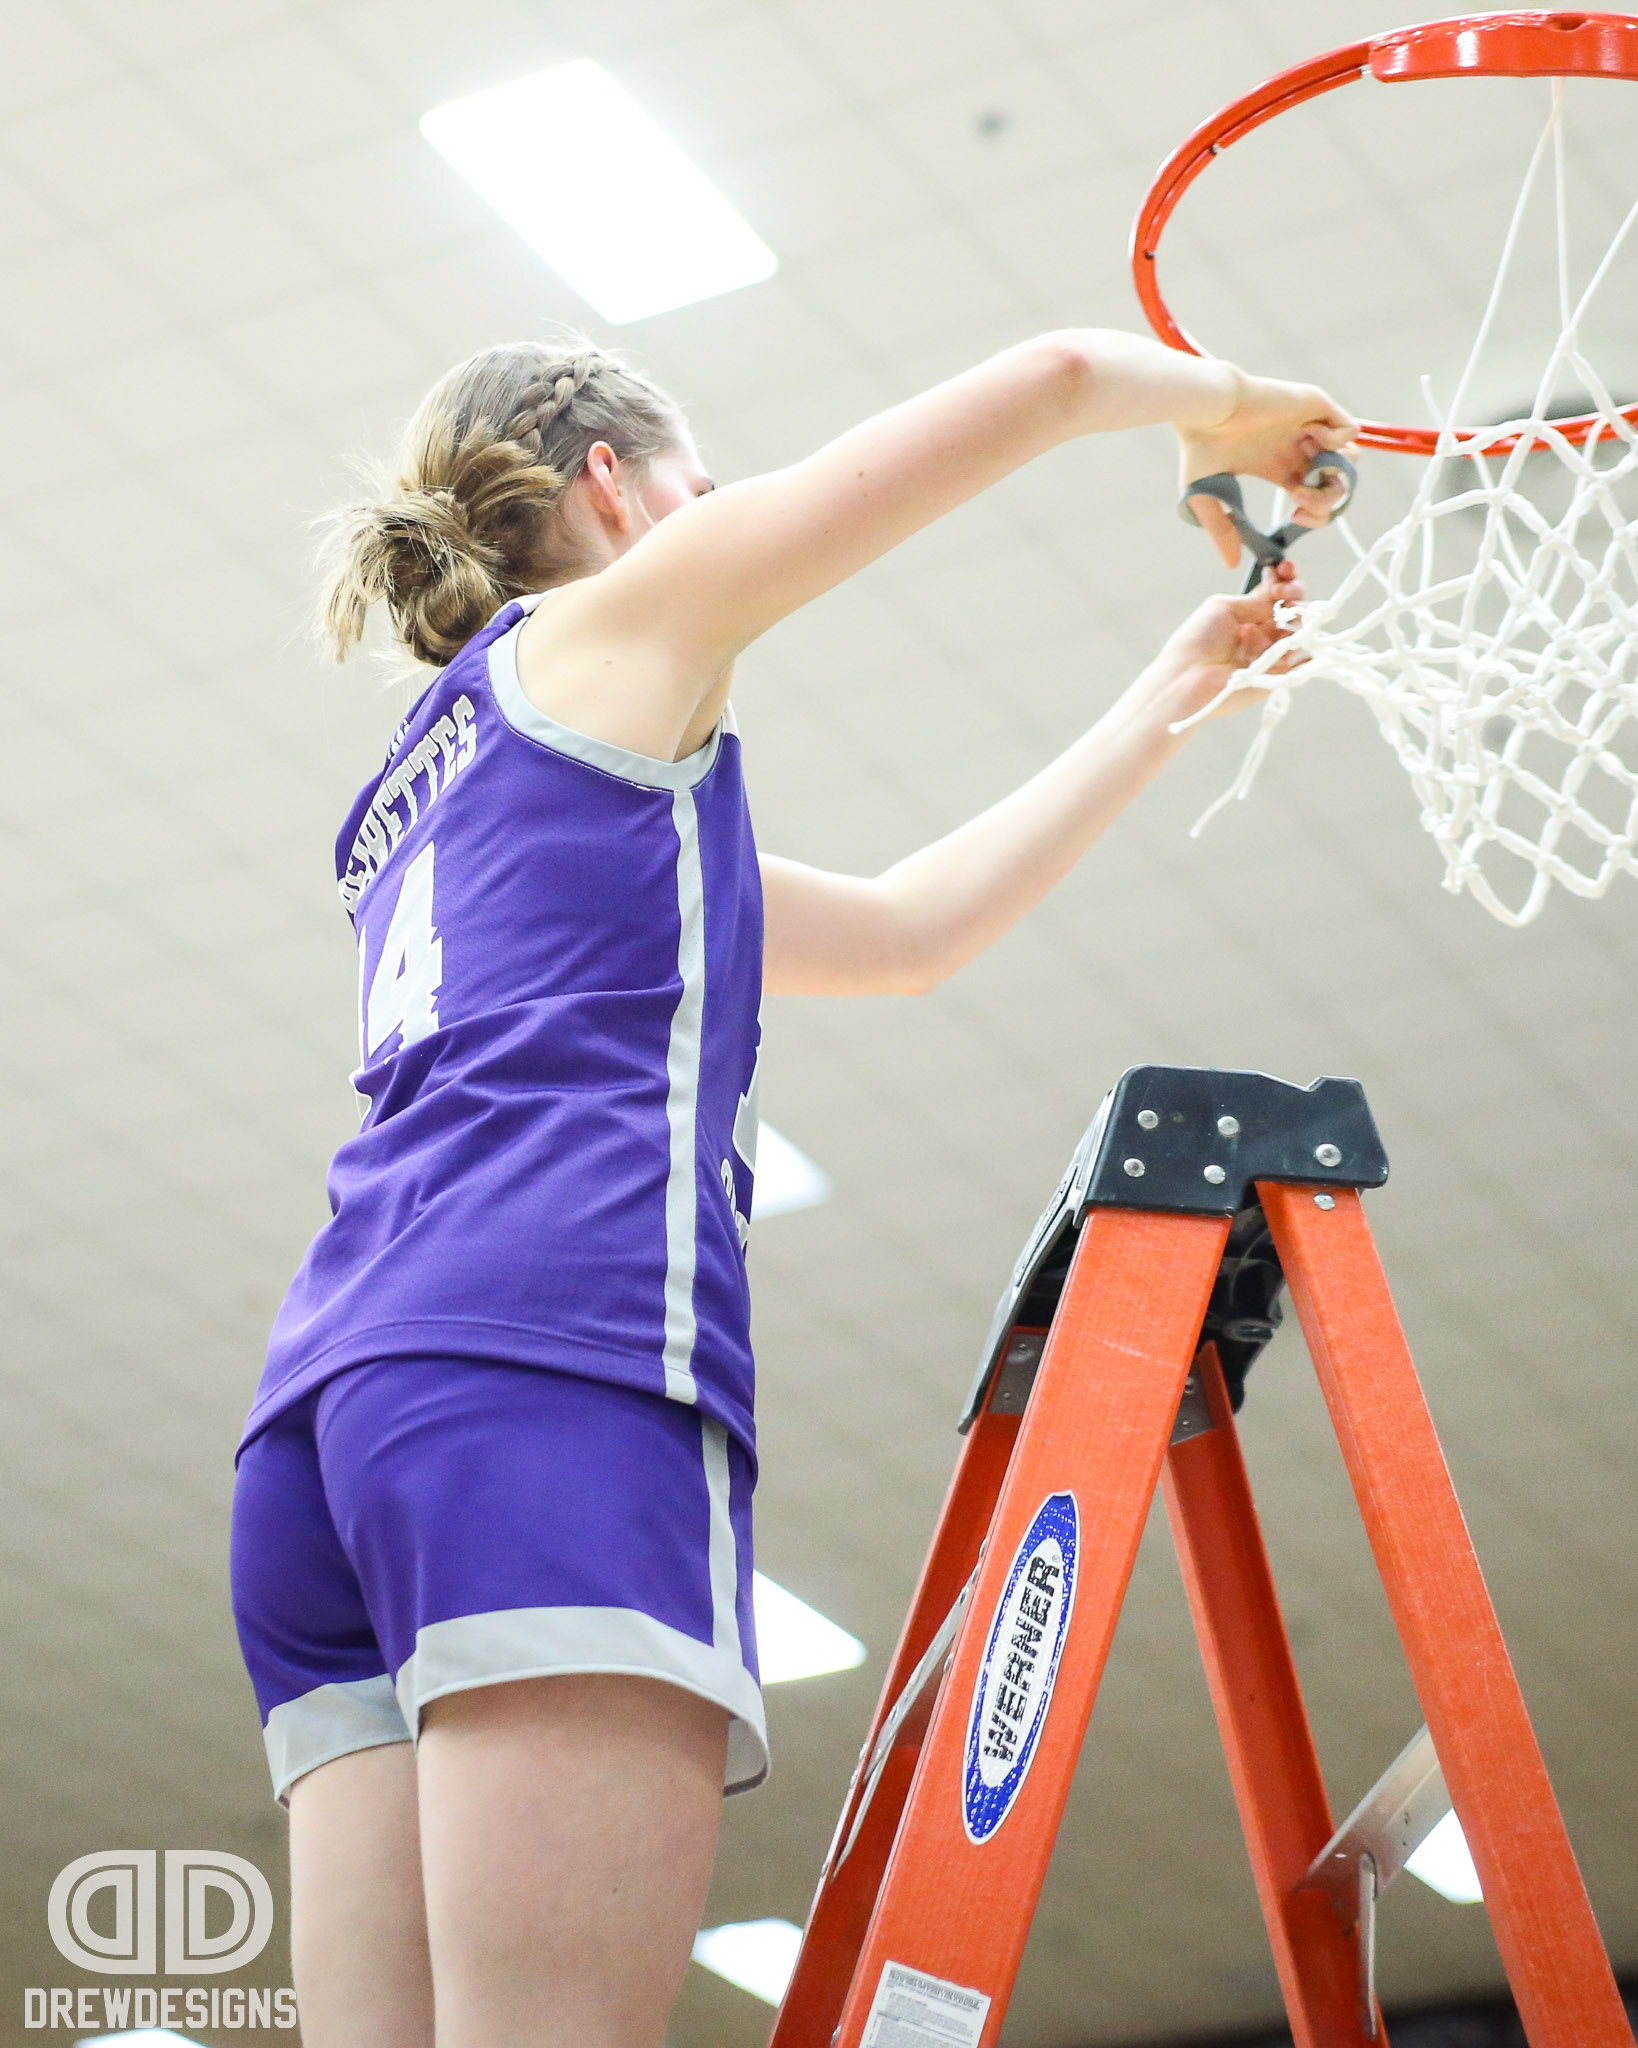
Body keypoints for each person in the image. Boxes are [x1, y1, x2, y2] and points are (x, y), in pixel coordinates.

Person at [230, 328, 1355, 2048]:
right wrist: (1233, 410)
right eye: (693, 484)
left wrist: (1165, 696)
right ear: (612, 487)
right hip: (540, 1362)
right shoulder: (615, 626)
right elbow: (1057, 376)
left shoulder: (445, 781)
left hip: (325, 1423)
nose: (712, 510)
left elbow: (904, 935)